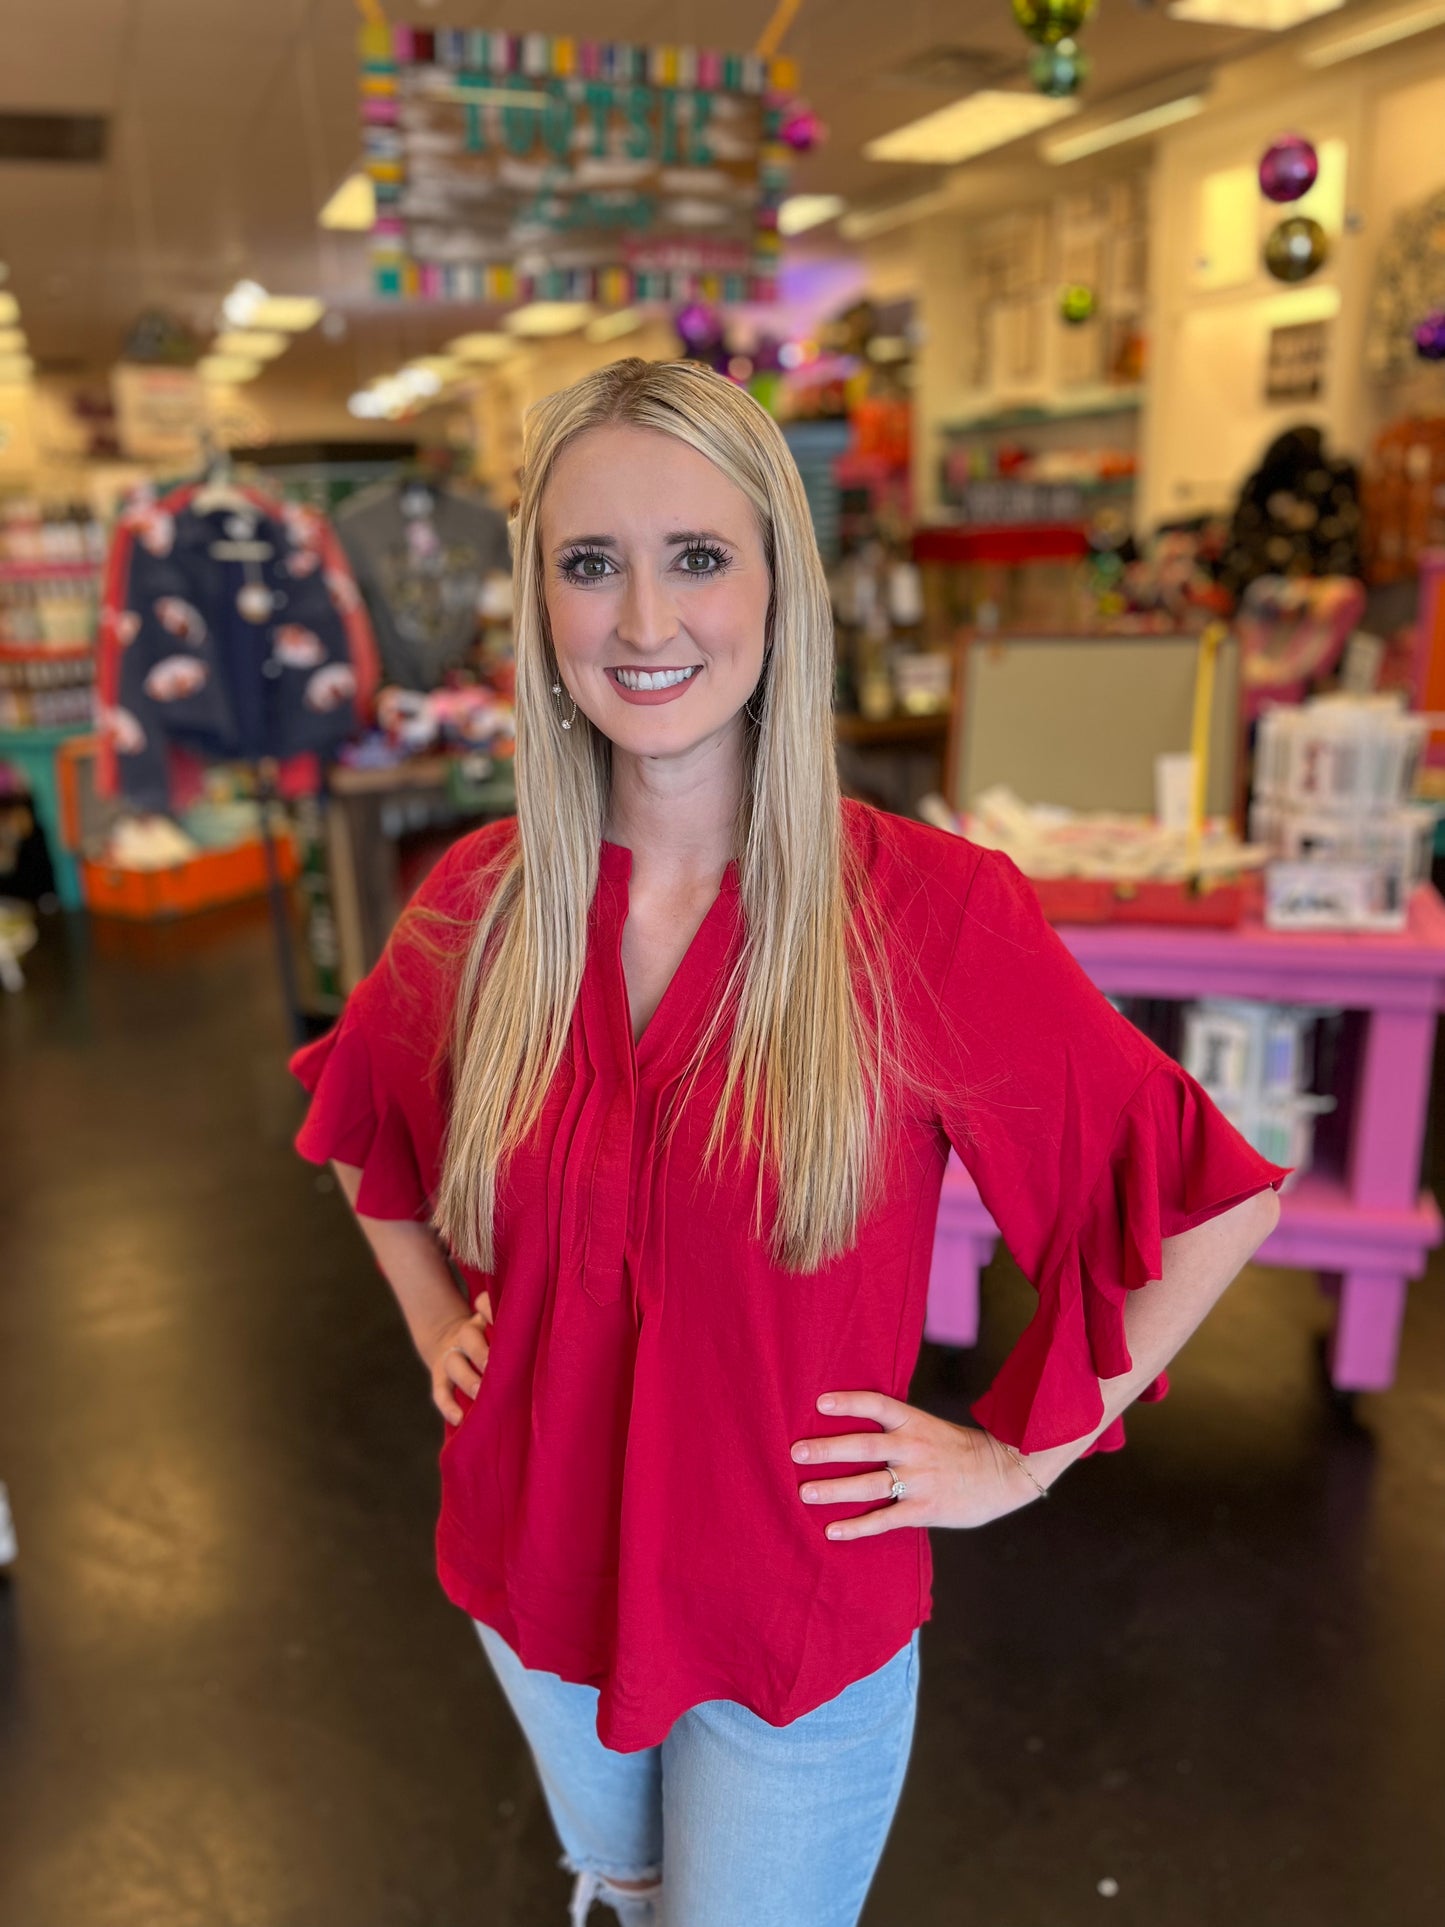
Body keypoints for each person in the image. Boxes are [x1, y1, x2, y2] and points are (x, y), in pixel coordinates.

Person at [290, 357, 1286, 1927]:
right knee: (623, 1891)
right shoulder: (478, 908)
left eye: (694, 557)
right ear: (537, 604)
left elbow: (1206, 1198)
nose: (641, 621)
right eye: (588, 564)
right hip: (536, 1577)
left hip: (791, 1628)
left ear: (778, 582)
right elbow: (361, 1129)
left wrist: (1022, 1462)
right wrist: (437, 1329)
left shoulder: (924, 915)